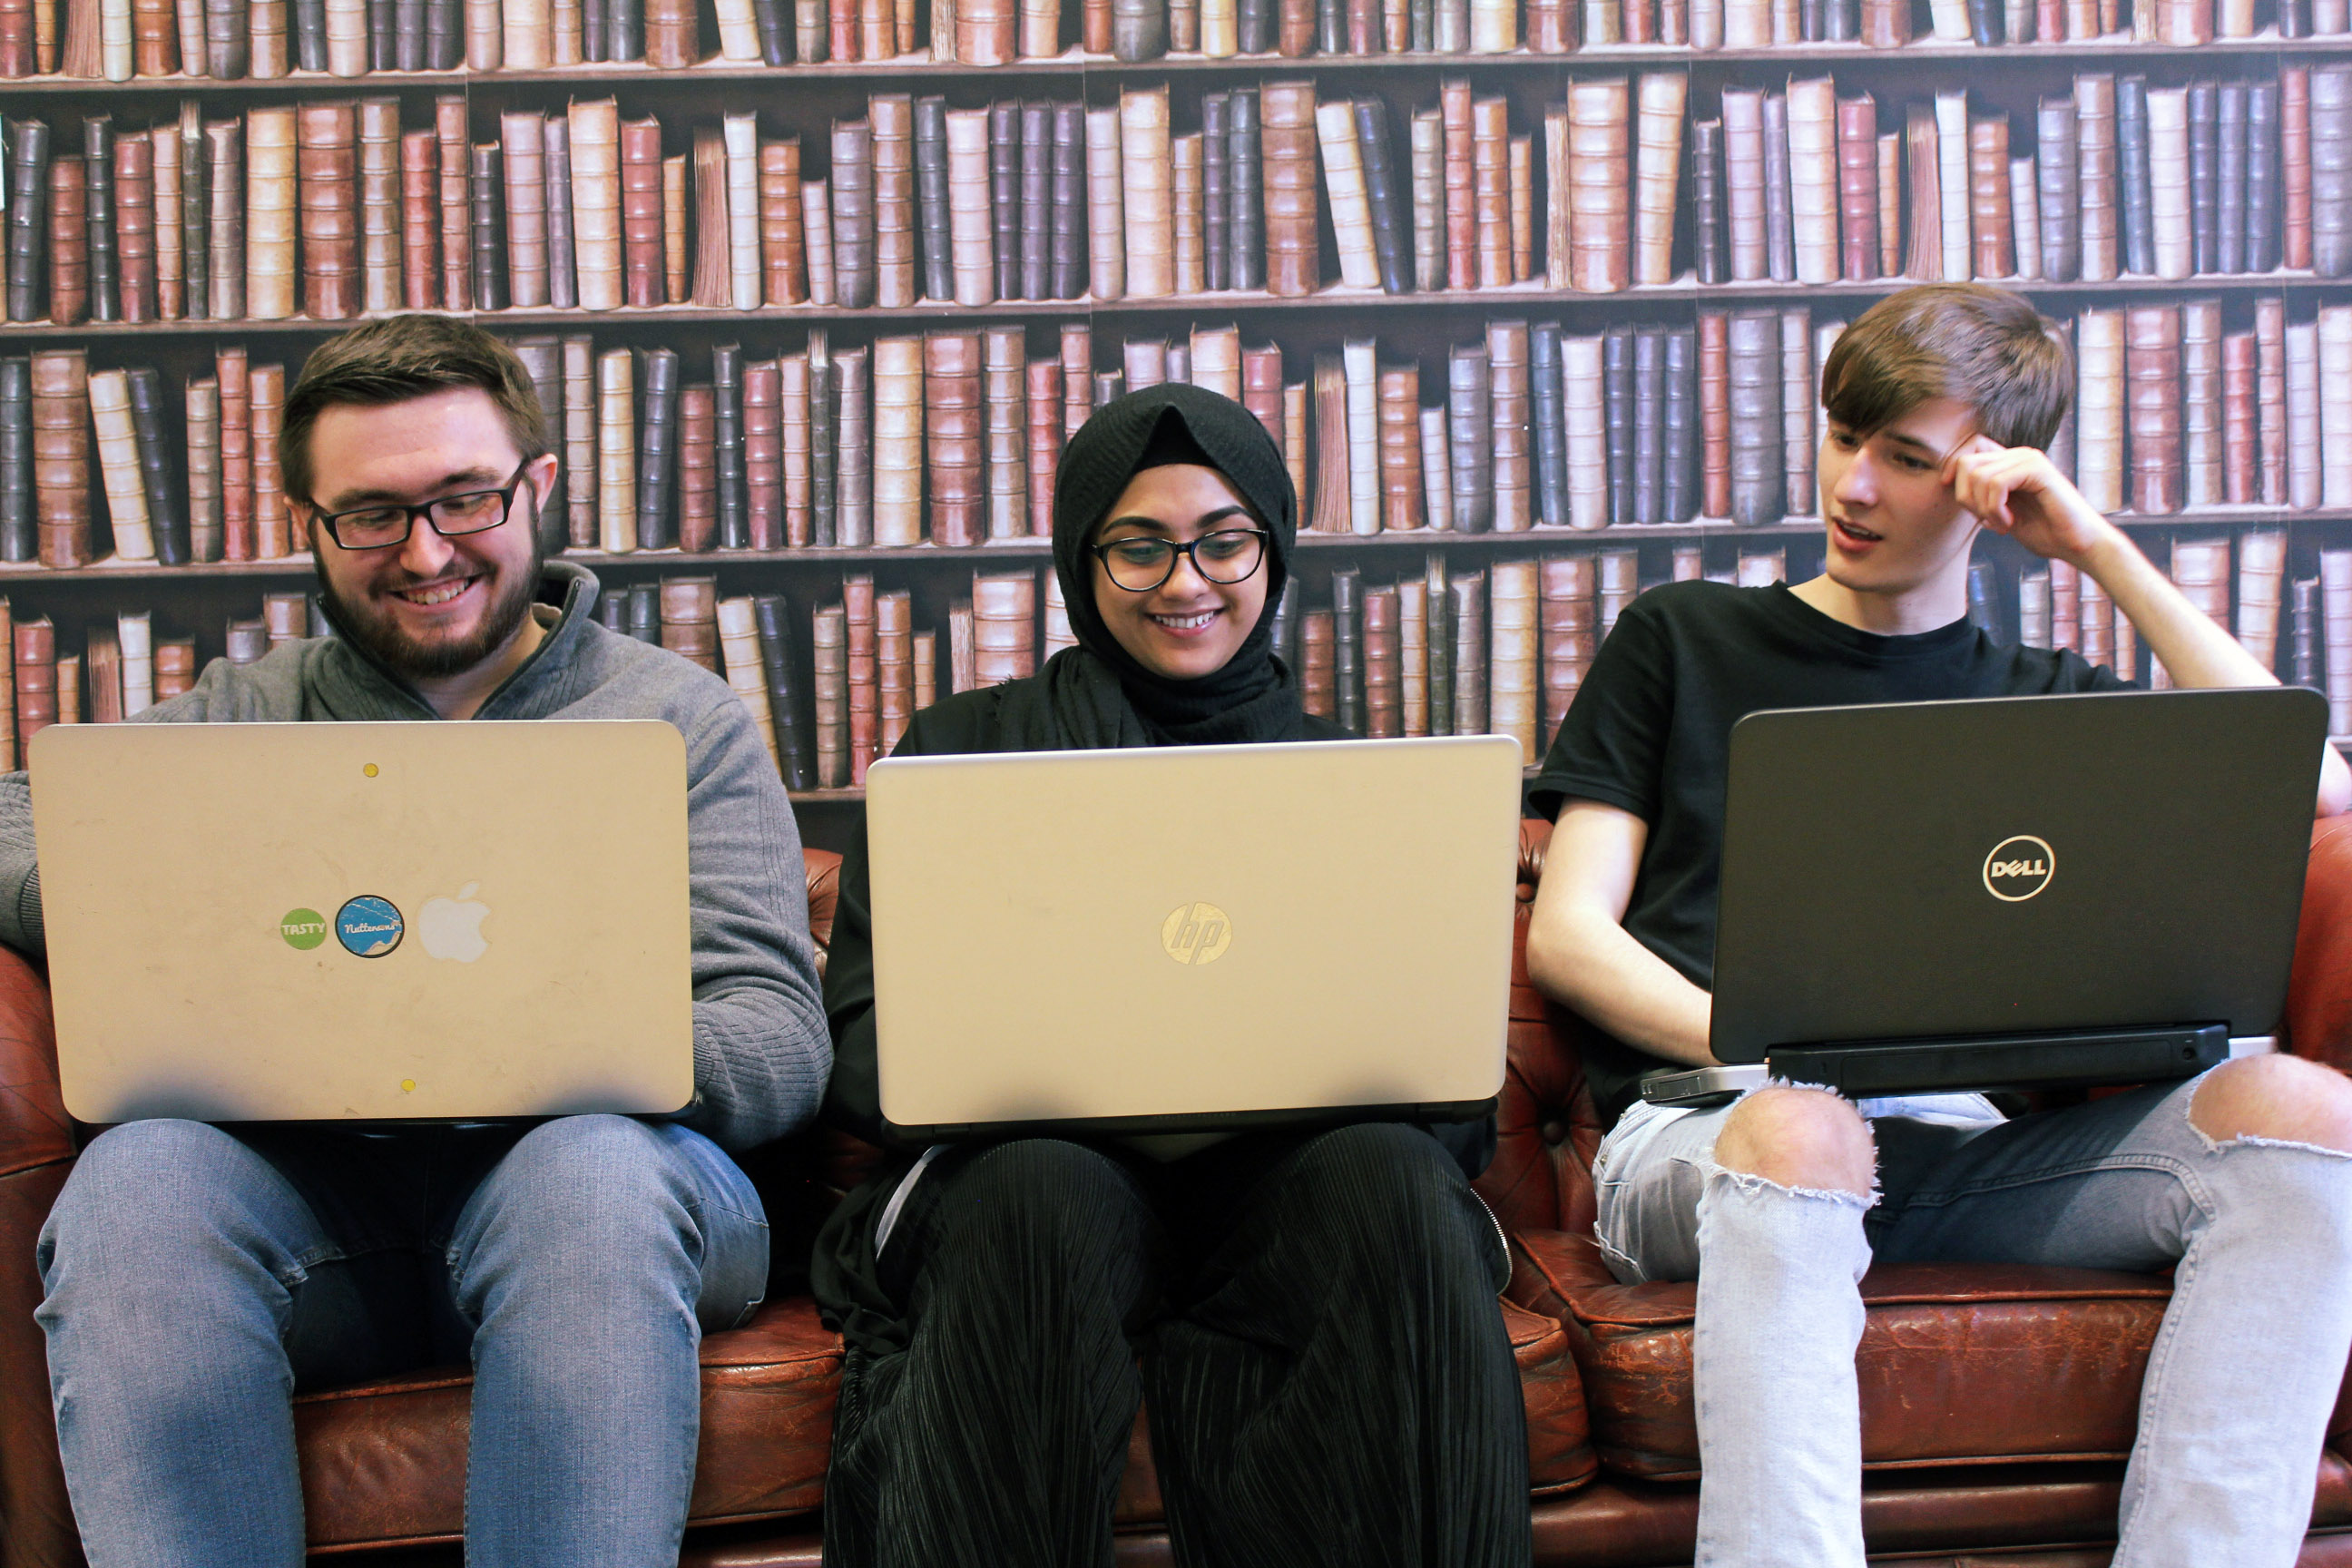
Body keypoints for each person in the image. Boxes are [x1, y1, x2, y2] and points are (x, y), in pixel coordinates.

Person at [1522, 281, 2352, 1568]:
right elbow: (1570, 935)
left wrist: (2099, 554)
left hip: (1968, 1162)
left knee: (2308, 1120)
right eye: (1844, 435)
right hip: (1718, 1135)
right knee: (1802, 1127)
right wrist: (1777, 1057)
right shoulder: (1682, 639)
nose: (1853, 485)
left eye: (1906, 459)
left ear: (1989, 486)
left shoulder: (2044, 704)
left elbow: (2319, 786)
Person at [15, 314, 832, 1568]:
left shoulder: (677, 718)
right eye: (374, 514)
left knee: (591, 1176)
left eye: (465, 499)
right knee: (135, 1188)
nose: (427, 550)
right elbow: (21, 822)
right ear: (311, 522)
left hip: (610, 1199)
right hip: (322, 1218)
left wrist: (547, 1047)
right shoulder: (241, 717)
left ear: (539, 487)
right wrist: (174, 882)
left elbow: (777, 1038)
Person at [812, 382, 1531, 1568]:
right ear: (1080, 561)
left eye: (1224, 541)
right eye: (1139, 546)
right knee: (1038, 1186)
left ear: (1275, 548)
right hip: (1038, 1183)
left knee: (1395, 1182)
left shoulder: (1357, 789)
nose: (1187, 583)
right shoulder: (960, 759)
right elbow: (867, 1048)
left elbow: (1451, 1101)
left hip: (1285, 1195)